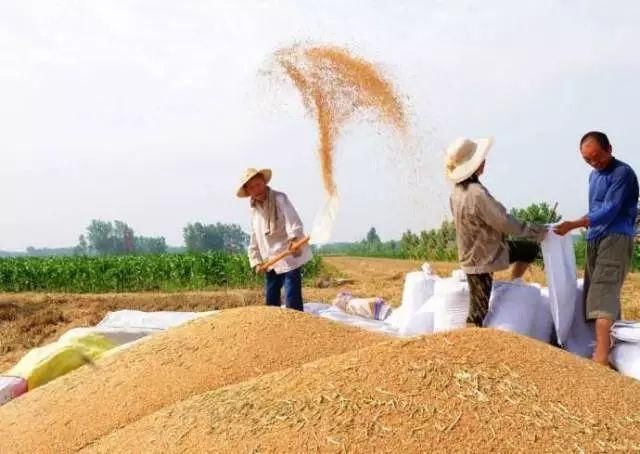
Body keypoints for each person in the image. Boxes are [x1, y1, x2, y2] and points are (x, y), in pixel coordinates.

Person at [554, 131, 638, 366]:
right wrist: (581, 227)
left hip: (615, 237)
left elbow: (610, 210)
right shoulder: (594, 176)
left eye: (597, 157)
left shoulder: (623, 173)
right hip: (595, 238)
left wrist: (575, 224)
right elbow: (595, 209)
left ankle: (600, 359)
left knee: (603, 293)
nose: (594, 163)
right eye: (587, 160)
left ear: (609, 149)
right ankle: (609, 348)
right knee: (596, 294)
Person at [446, 137, 548, 326]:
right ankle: (469, 341)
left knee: (528, 250)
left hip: (479, 251)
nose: (484, 162)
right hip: (482, 257)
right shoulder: (477, 193)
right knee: (478, 311)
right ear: (475, 166)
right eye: (481, 160)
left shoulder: (456, 193)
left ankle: (513, 284)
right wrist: (538, 231)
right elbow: (503, 221)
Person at [237, 168, 312, 311]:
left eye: (258, 184)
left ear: (264, 183)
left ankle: (295, 326)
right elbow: (255, 236)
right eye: (252, 187)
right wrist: (255, 260)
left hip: (288, 254)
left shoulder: (279, 198)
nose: (256, 189)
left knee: (292, 297)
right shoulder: (254, 210)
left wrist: (294, 238)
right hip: (271, 259)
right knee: (271, 300)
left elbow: (293, 220)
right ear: (248, 192)